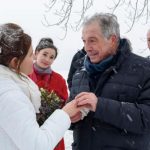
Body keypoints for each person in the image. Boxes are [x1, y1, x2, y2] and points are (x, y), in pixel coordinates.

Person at [68, 13, 150, 150]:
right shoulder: (80, 72)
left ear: (112, 40)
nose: (86, 47)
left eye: (92, 40)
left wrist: (100, 105)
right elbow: (72, 111)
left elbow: (146, 119)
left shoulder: (144, 69)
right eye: (84, 41)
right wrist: (69, 119)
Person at [0, 23, 83, 150]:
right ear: (15, 62)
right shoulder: (10, 95)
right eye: (30, 54)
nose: (33, 58)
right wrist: (64, 114)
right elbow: (37, 145)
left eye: (52, 57)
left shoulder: (54, 79)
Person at [29, 37, 68, 150]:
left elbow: (64, 104)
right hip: (29, 129)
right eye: (44, 54)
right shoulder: (24, 75)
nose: (47, 59)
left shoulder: (59, 79)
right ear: (36, 53)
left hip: (52, 131)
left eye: (52, 57)